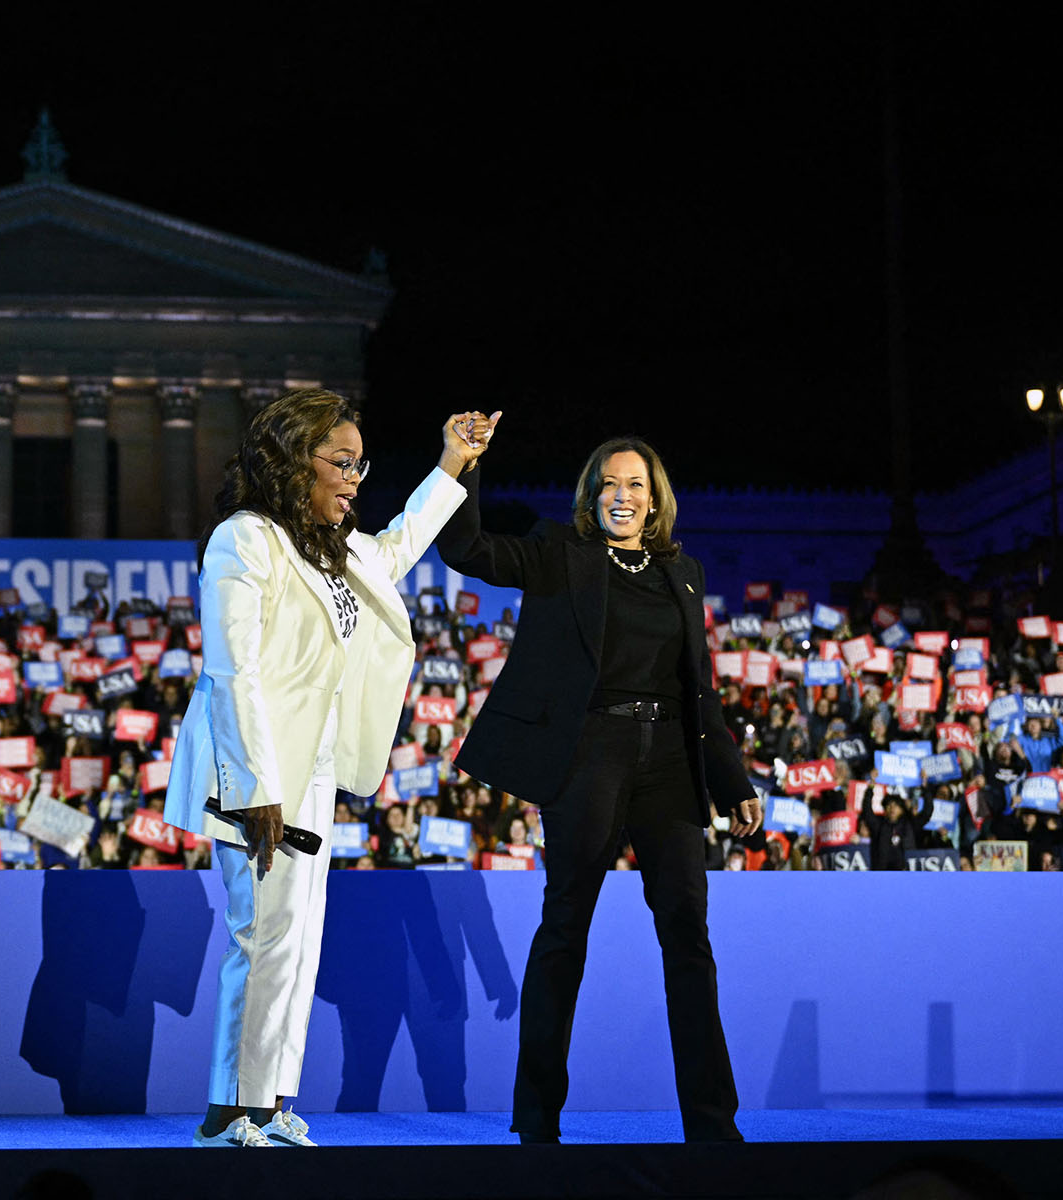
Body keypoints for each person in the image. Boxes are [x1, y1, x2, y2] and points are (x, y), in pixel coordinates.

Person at [162, 388, 492, 1149]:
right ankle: (228, 1113)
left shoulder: (335, 547)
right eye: (340, 462)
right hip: (254, 773)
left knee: (299, 941)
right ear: (289, 461)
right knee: (261, 937)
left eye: (359, 463)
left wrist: (451, 463)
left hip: (311, 773)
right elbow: (231, 673)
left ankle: (271, 1101)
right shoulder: (245, 540)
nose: (354, 478)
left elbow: (403, 542)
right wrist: (254, 792)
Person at [434, 425, 763, 1144]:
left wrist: (731, 779)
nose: (622, 495)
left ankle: (712, 1123)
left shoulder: (685, 573)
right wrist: (462, 463)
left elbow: (699, 687)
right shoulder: (561, 555)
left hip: (672, 761)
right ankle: (537, 1117)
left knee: (688, 935)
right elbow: (464, 549)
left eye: (635, 485)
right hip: (591, 754)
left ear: (655, 501)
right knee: (565, 930)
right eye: (609, 484)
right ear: (592, 496)